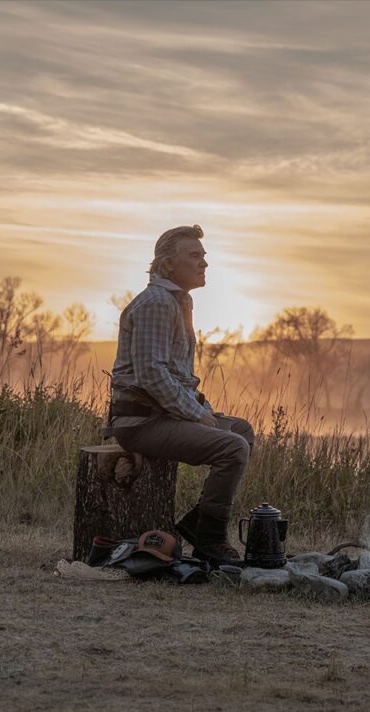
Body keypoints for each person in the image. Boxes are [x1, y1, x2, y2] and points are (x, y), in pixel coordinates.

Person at [109, 224, 254, 567]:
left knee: (241, 431)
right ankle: (210, 538)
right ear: (167, 264)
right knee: (233, 447)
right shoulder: (157, 303)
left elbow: (177, 376)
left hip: (164, 415)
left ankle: (197, 523)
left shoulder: (178, 301)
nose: (204, 263)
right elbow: (152, 375)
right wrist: (195, 413)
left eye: (204, 257)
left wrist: (202, 407)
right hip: (141, 421)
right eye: (194, 256)